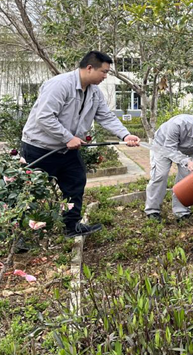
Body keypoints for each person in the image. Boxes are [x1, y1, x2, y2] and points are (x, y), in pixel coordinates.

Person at [21, 51, 140, 237]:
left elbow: (106, 116)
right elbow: (43, 116)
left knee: (75, 183)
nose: (105, 76)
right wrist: (67, 137)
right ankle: (23, 235)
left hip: (68, 150)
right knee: (31, 192)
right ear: (90, 68)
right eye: (104, 71)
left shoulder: (94, 92)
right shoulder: (60, 85)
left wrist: (125, 135)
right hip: (40, 148)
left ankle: (71, 226)